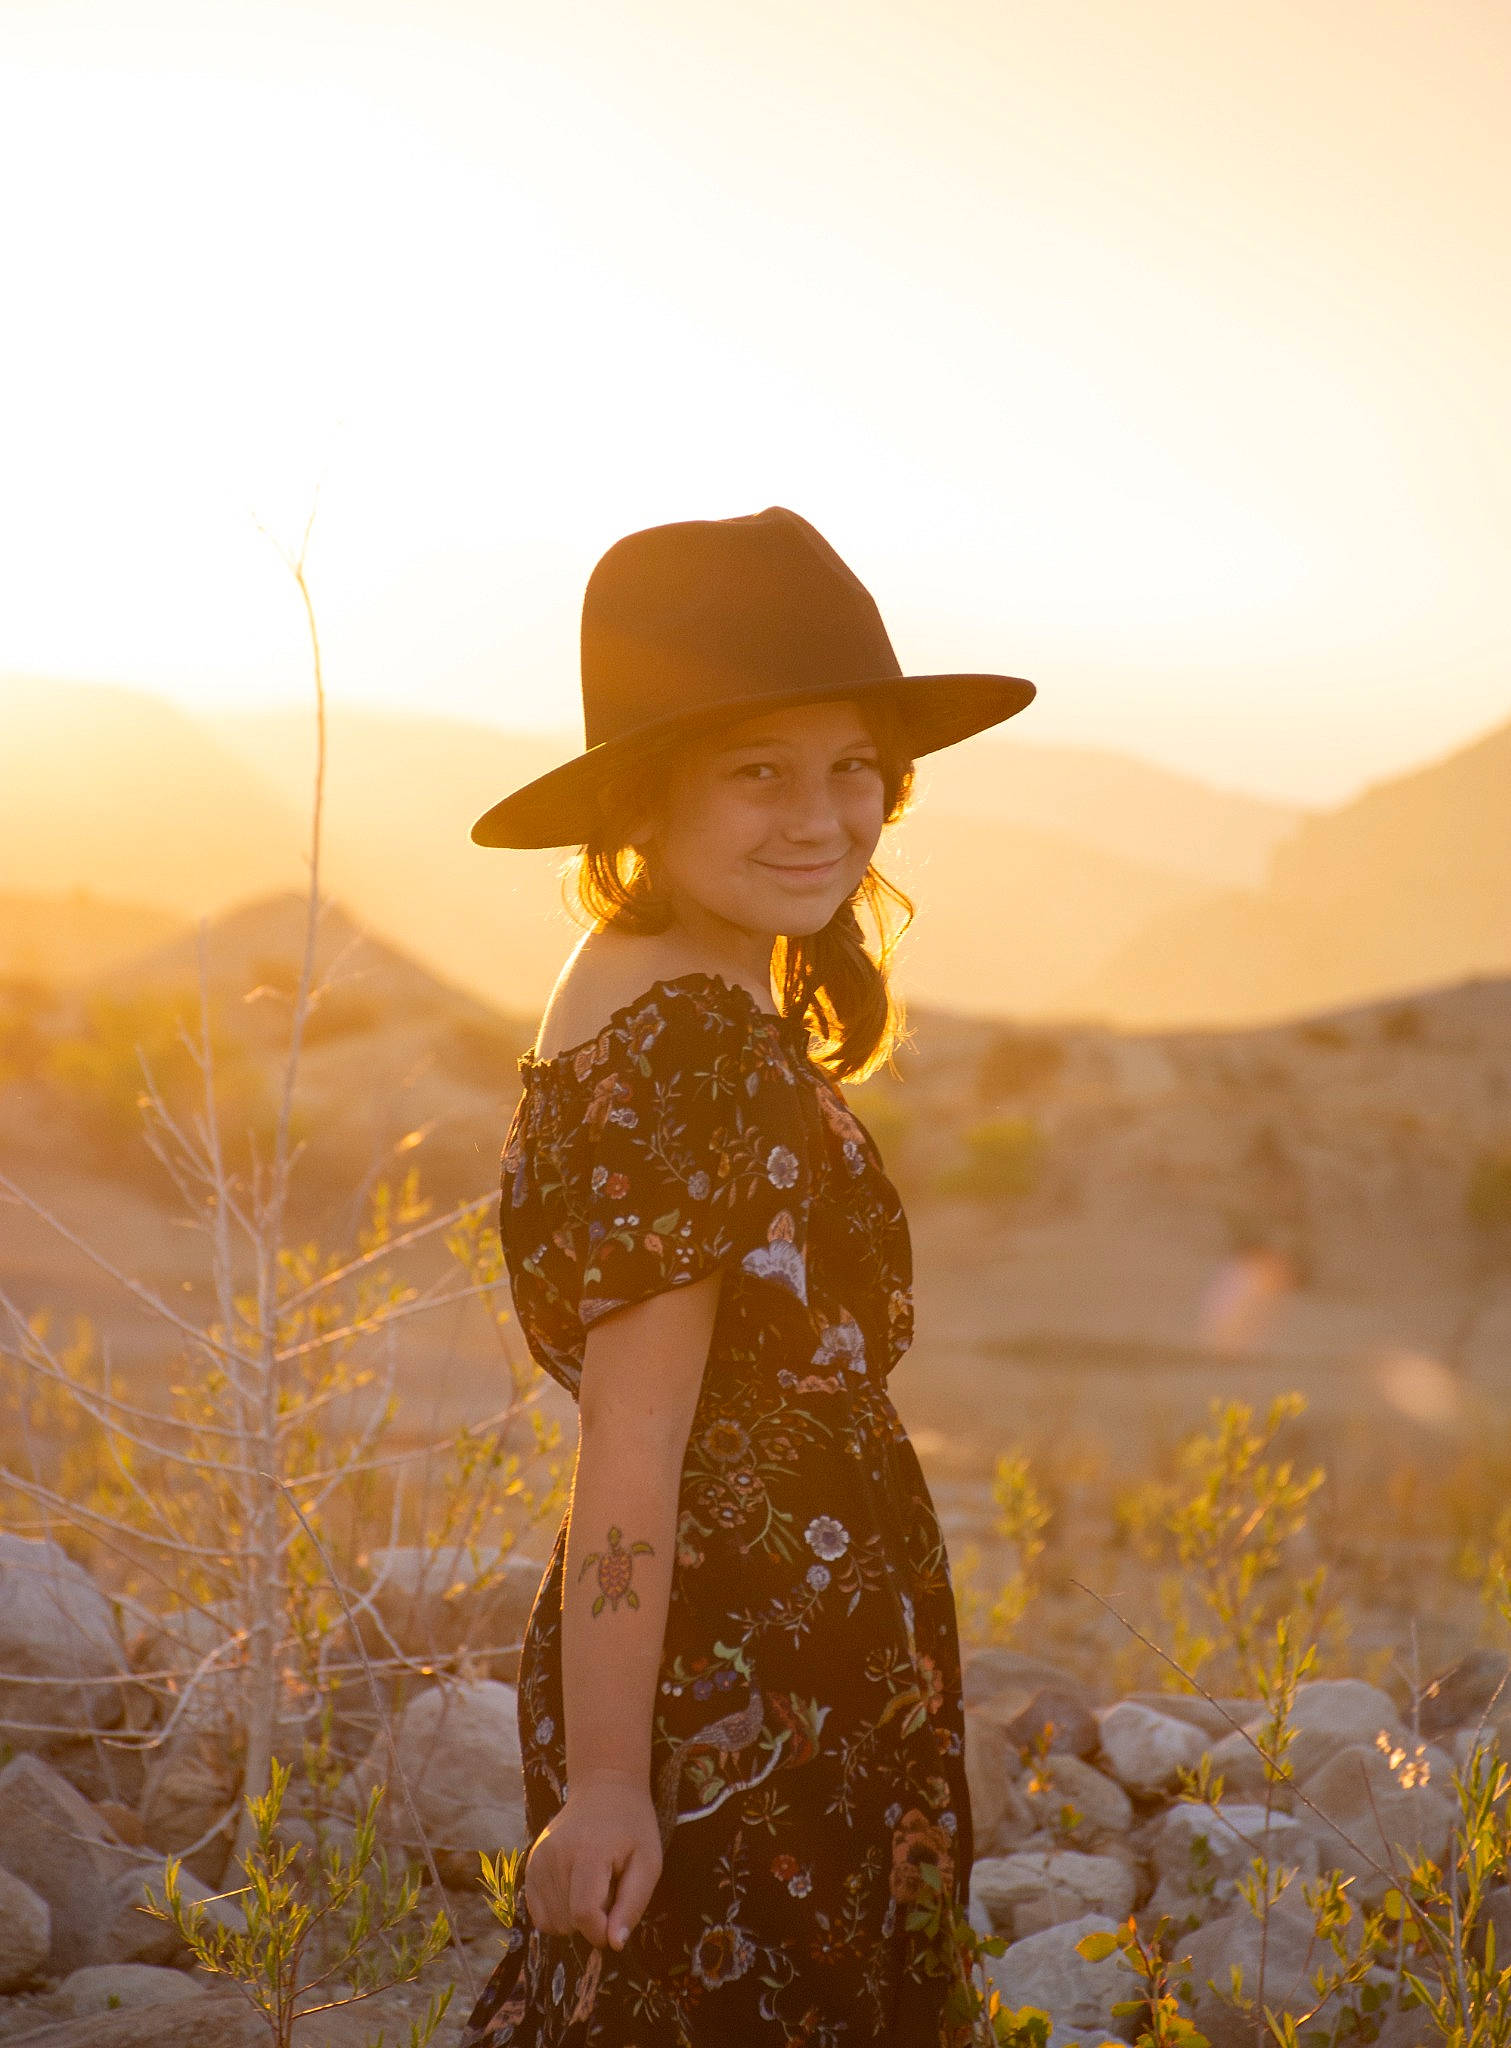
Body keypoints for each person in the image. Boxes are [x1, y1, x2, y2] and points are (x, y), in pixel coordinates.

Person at [458, 506, 1035, 2046]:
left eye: (853, 767)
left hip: (768, 1647)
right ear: (648, 792)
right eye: (758, 771)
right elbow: (633, 1435)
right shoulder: (693, 1047)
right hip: (744, 1675)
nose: (824, 817)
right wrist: (605, 1782)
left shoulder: (665, 971)